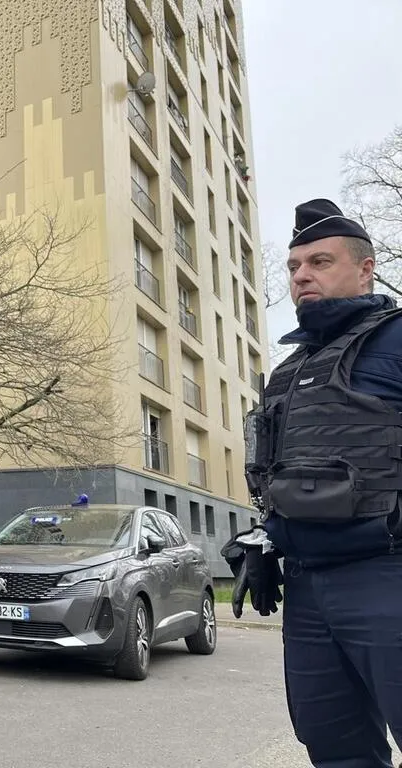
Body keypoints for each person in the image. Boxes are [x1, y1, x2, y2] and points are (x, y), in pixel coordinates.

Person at [224, 198, 402, 768]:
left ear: (365, 268)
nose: (302, 276)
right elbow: (279, 475)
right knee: (334, 748)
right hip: (307, 590)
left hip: (385, 573)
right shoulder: (288, 371)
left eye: (320, 262)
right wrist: (263, 539)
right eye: (294, 266)